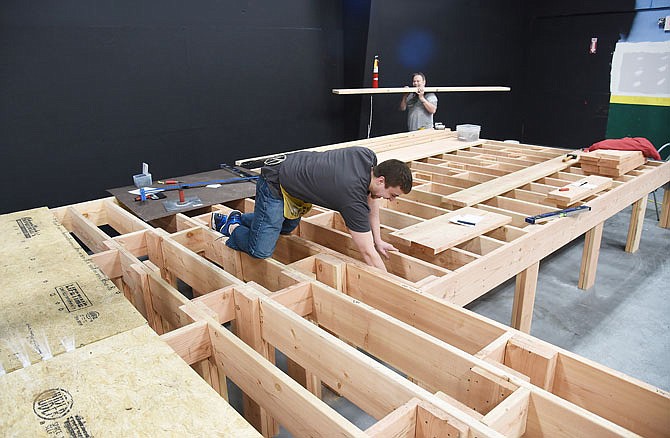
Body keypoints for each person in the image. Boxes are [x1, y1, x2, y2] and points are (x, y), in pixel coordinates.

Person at [211, 147, 412, 272]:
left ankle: (248, 220)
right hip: (275, 181)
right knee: (260, 250)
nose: (392, 200)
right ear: (381, 180)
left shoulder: (368, 158)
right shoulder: (350, 196)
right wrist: (393, 284)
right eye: (393, 195)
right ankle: (231, 226)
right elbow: (367, 254)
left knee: (285, 229)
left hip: (296, 176)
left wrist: (378, 240)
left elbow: (372, 200)